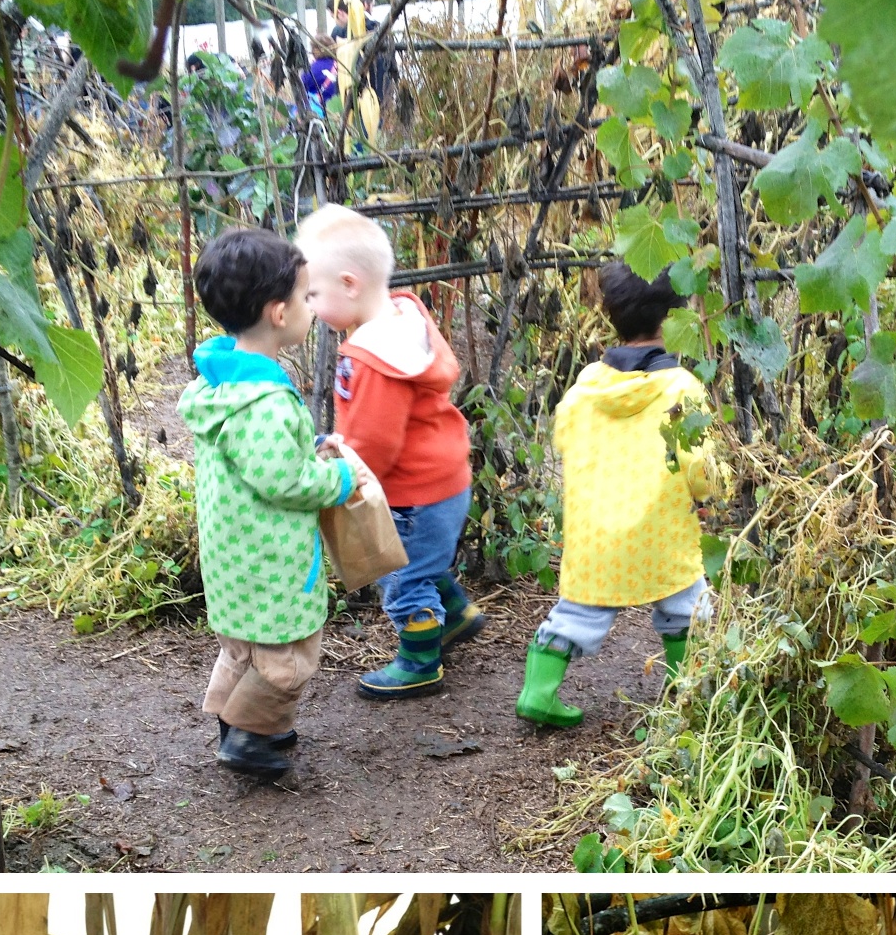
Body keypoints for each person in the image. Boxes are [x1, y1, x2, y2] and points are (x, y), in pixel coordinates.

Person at [178, 227, 355, 784]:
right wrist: (338, 479)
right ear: (278, 314)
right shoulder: (268, 402)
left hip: (232, 560)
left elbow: (260, 461)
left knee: (243, 649)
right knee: (288, 660)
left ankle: (235, 724)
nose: (311, 307)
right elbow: (285, 481)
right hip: (269, 561)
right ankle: (251, 738)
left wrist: (308, 448)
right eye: (305, 298)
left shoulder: (220, 387)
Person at [514, 258, 717, 729]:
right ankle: (686, 693)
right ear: (672, 319)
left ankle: (538, 692)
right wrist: (712, 492)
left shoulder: (586, 387)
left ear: (610, 315)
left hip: (594, 538)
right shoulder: (681, 387)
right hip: (662, 533)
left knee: (576, 615)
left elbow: (563, 440)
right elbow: (702, 472)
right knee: (688, 607)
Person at [297, 204, 480, 697]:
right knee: (426, 561)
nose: (309, 306)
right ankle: (457, 616)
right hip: (446, 479)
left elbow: (376, 441)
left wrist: (345, 471)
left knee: (400, 577)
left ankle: (421, 661)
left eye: (314, 293)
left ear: (350, 284)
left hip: (411, 493)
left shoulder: (372, 358)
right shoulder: (405, 317)